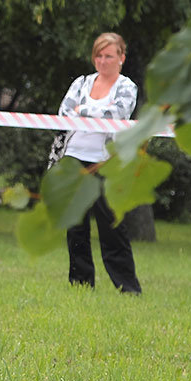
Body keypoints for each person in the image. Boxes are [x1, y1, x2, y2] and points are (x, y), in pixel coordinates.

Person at [58, 32, 141, 294]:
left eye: (109, 56)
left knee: (112, 227)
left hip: (106, 163)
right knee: (75, 226)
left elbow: (115, 114)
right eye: (99, 56)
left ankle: (127, 287)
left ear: (121, 58)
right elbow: (63, 112)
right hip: (73, 158)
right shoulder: (81, 83)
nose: (103, 61)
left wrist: (82, 111)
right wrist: (84, 112)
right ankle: (81, 283)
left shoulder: (127, 87)